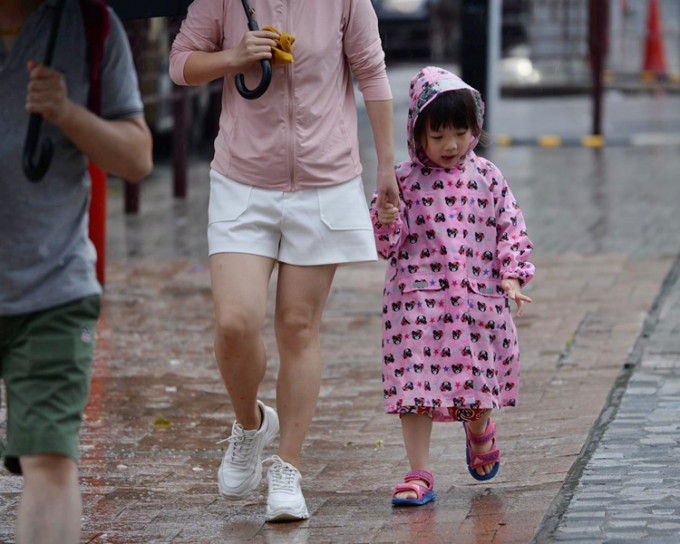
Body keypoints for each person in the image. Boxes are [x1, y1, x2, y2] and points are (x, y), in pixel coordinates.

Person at [169, 0, 397, 522]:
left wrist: (386, 164)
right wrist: (233, 57)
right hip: (242, 183)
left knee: (298, 326)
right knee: (235, 322)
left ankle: (287, 469)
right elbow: (179, 63)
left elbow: (371, 69)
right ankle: (250, 424)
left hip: (325, 181)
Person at [0, 0, 153, 541]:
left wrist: (67, 111)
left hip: (55, 293)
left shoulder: (90, 26)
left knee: (49, 460)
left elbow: (137, 157)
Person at [370, 66, 534, 506]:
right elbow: (387, 245)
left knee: (475, 381)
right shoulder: (402, 180)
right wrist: (386, 221)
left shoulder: (488, 177)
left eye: (460, 133)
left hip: (475, 306)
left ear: (474, 129)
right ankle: (418, 472)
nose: (451, 145)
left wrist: (512, 276)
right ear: (417, 132)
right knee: (413, 388)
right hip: (414, 306)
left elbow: (511, 231)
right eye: (438, 135)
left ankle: (479, 427)